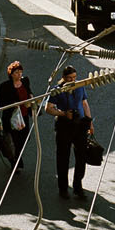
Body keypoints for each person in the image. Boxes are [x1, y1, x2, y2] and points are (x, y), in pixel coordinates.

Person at [45, 64, 94, 199]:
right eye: (69, 78)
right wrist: (63, 114)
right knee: (63, 158)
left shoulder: (79, 86)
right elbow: (48, 108)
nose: (72, 80)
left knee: (81, 157)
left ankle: (78, 186)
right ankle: (63, 188)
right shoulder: (57, 90)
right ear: (64, 78)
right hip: (64, 126)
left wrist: (90, 121)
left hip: (80, 125)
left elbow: (85, 103)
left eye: (74, 77)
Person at [0, 60, 35, 165]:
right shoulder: (5, 86)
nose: (19, 75)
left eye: (20, 72)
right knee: (14, 139)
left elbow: (29, 91)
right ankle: (15, 161)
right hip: (12, 117)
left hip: (24, 115)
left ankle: (15, 156)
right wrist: (13, 104)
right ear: (11, 74)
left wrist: (31, 97)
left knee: (25, 137)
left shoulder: (25, 81)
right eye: (16, 73)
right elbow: (0, 102)